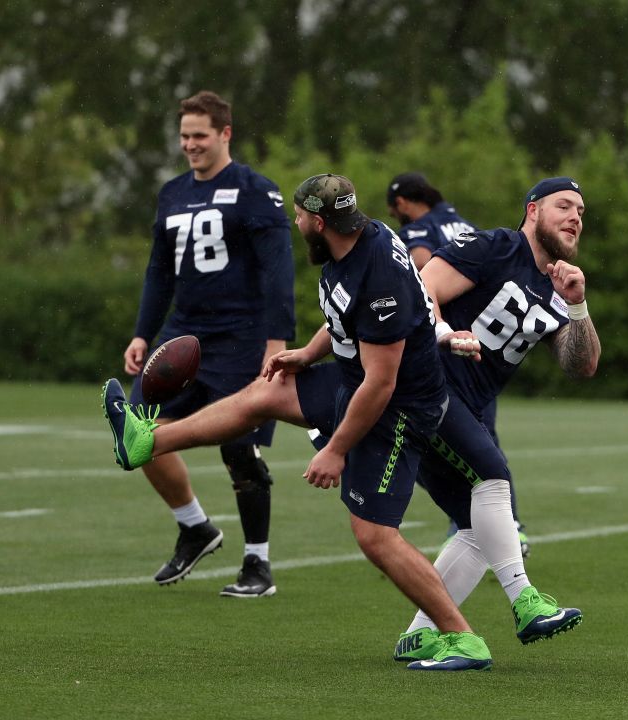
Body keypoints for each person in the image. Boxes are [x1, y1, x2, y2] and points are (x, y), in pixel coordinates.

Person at [104, 174, 493, 671]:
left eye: (300, 215)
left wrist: (334, 450)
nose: (295, 222)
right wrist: (307, 355)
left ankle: (463, 638)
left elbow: (381, 382)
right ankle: (146, 441)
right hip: (355, 380)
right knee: (264, 393)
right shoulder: (353, 242)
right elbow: (341, 319)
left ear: (317, 220)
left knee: (374, 535)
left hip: (397, 409)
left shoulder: (377, 277)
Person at [392, 177, 602, 662]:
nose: (575, 216)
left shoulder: (556, 282)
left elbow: (581, 366)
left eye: (581, 211)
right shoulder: (494, 246)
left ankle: (421, 633)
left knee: (477, 528)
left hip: (465, 406)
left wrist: (577, 305)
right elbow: (424, 288)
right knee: (494, 478)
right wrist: (445, 334)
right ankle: (526, 601)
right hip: (427, 387)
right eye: (563, 206)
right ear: (532, 210)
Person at [118, 90, 295, 598]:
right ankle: (194, 525)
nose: (190, 145)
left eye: (199, 135)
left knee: (238, 450)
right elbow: (158, 271)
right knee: (137, 432)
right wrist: (141, 332)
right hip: (184, 333)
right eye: (184, 136)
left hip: (242, 336)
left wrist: (276, 342)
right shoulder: (172, 193)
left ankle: (257, 564)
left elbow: (277, 272)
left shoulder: (254, 190)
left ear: (225, 134)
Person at [384, 172, 530, 558]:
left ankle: (472, 525)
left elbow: (417, 278)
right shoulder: (462, 221)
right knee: (486, 442)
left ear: (401, 204)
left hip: (444, 348)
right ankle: (508, 526)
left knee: (434, 443)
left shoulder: (418, 229)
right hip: (485, 342)